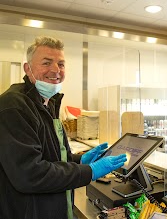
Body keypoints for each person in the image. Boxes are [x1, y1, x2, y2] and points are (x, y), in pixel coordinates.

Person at [0, 36, 127, 219]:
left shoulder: (48, 103)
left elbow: (49, 155)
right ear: (27, 69)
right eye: (46, 63)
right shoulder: (14, 106)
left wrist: (79, 160)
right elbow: (30, 173)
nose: (55, 70)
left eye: (61, 64)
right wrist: (89, 171)